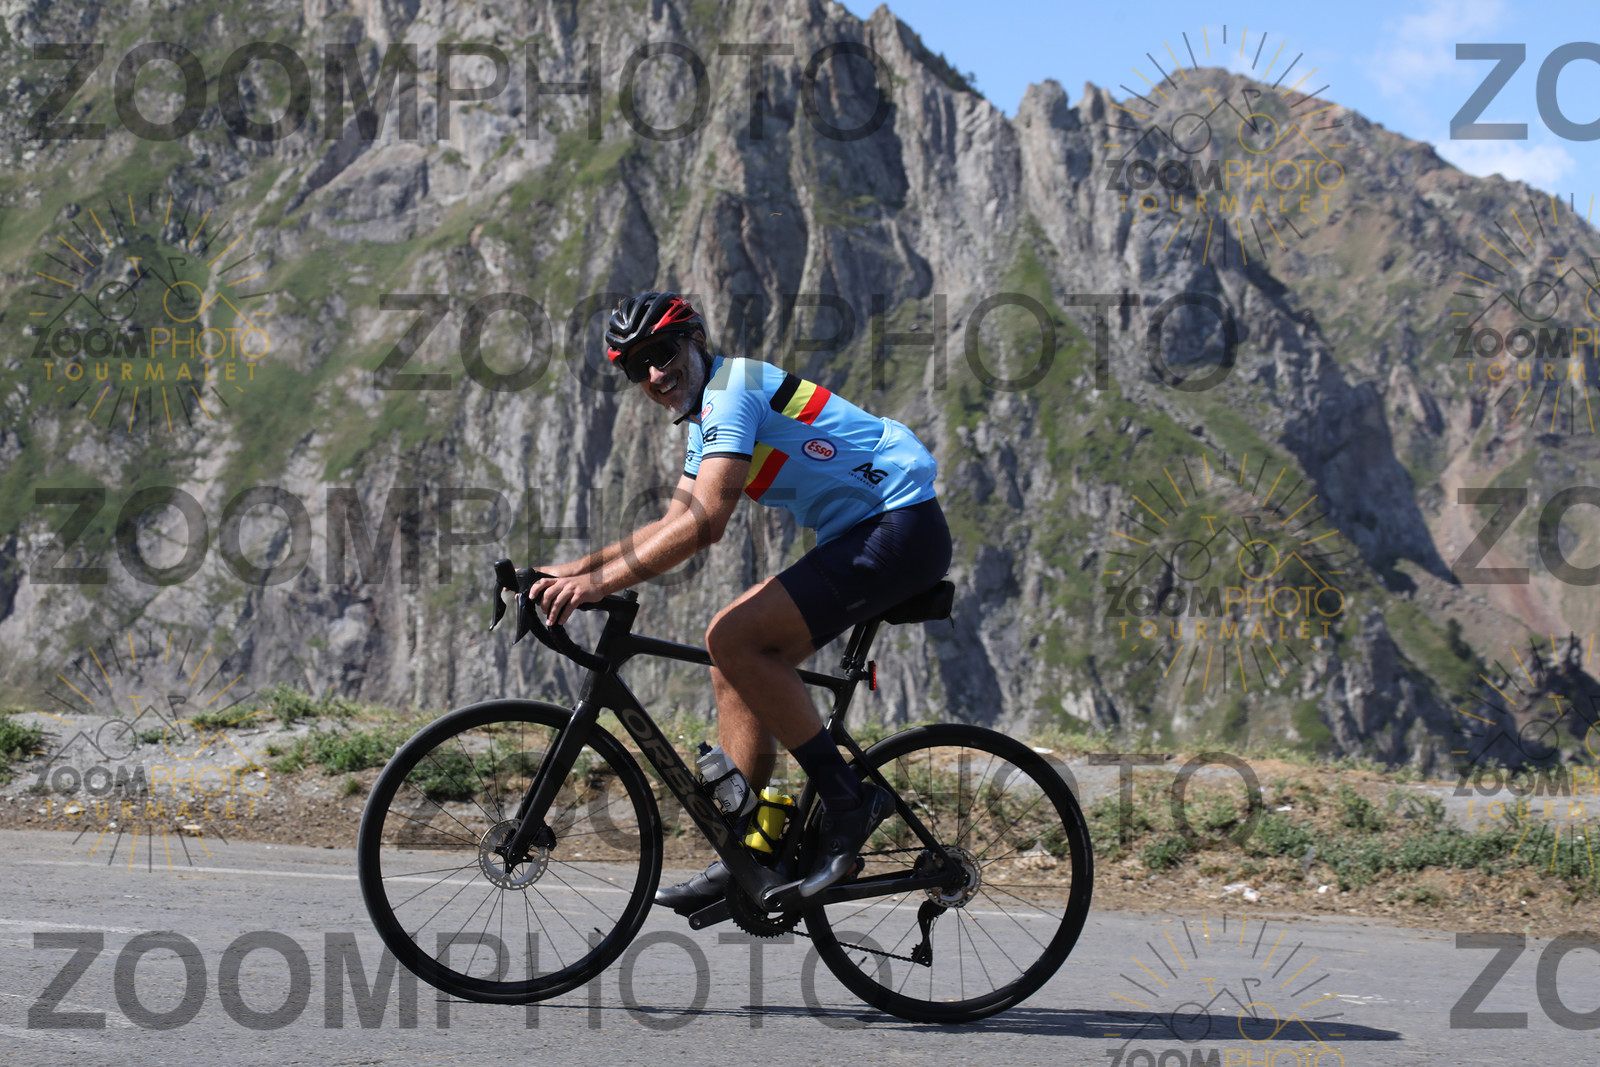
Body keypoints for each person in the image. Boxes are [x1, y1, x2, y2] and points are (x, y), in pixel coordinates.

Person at [530, 291, 951, 912]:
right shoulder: (708, 414)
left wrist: (599, 585)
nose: (655, 374)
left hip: (900, 525)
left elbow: (705, 523)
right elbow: (672, 520)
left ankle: (849, 800)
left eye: (663, 352)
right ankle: (749, 855)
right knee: (731, 659)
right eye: (637, 366)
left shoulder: (734, 392)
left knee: (734, 638)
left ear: (695, 340)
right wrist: (568, 571)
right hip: (867, 532)